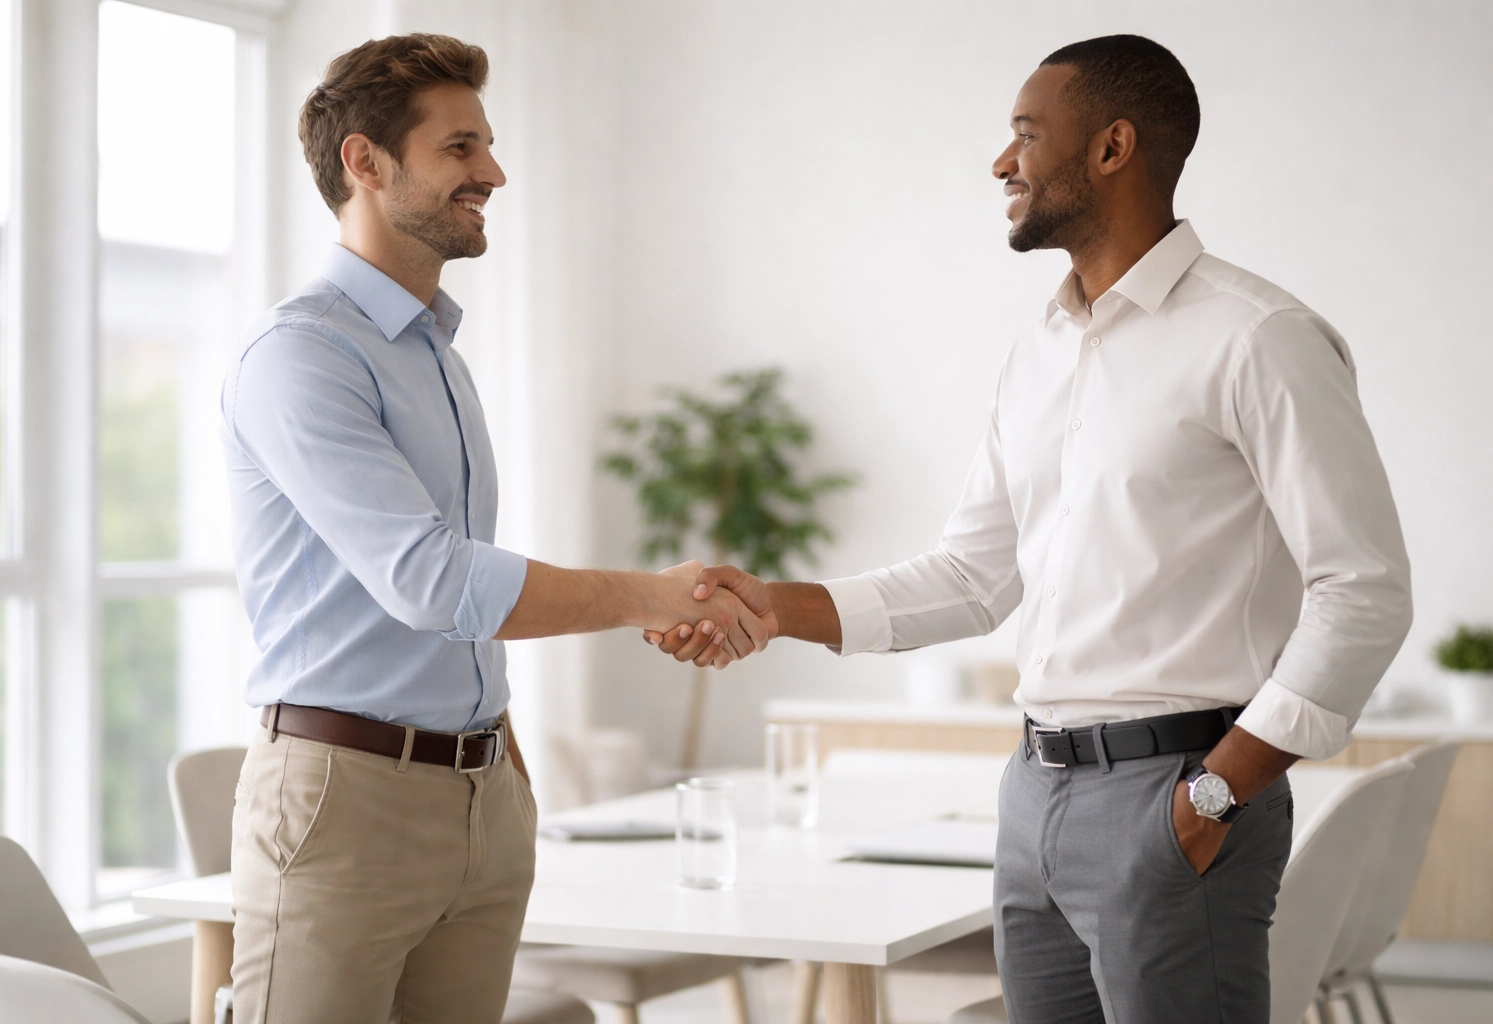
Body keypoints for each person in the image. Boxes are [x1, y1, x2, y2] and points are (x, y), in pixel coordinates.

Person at [646, 34, 1412, 1023]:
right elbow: (973, 573)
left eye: (1023, 133)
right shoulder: (1040, 352)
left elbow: (1364, 589)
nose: (1001, 162)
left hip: (1178, 794)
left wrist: (1215, 798)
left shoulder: (1257, 337)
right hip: (1032, 792)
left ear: (1112, 147)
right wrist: (772, 605)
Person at [220, 34, 765, 1024]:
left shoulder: (439, 355)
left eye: (489, 146)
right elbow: (432, 580)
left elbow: (451, 608)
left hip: (479, 799)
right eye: (461, 148)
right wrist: (652, 592)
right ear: (366, 163)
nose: (494, 173)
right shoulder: (301, 356)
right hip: (345, 801)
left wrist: (501, 767)